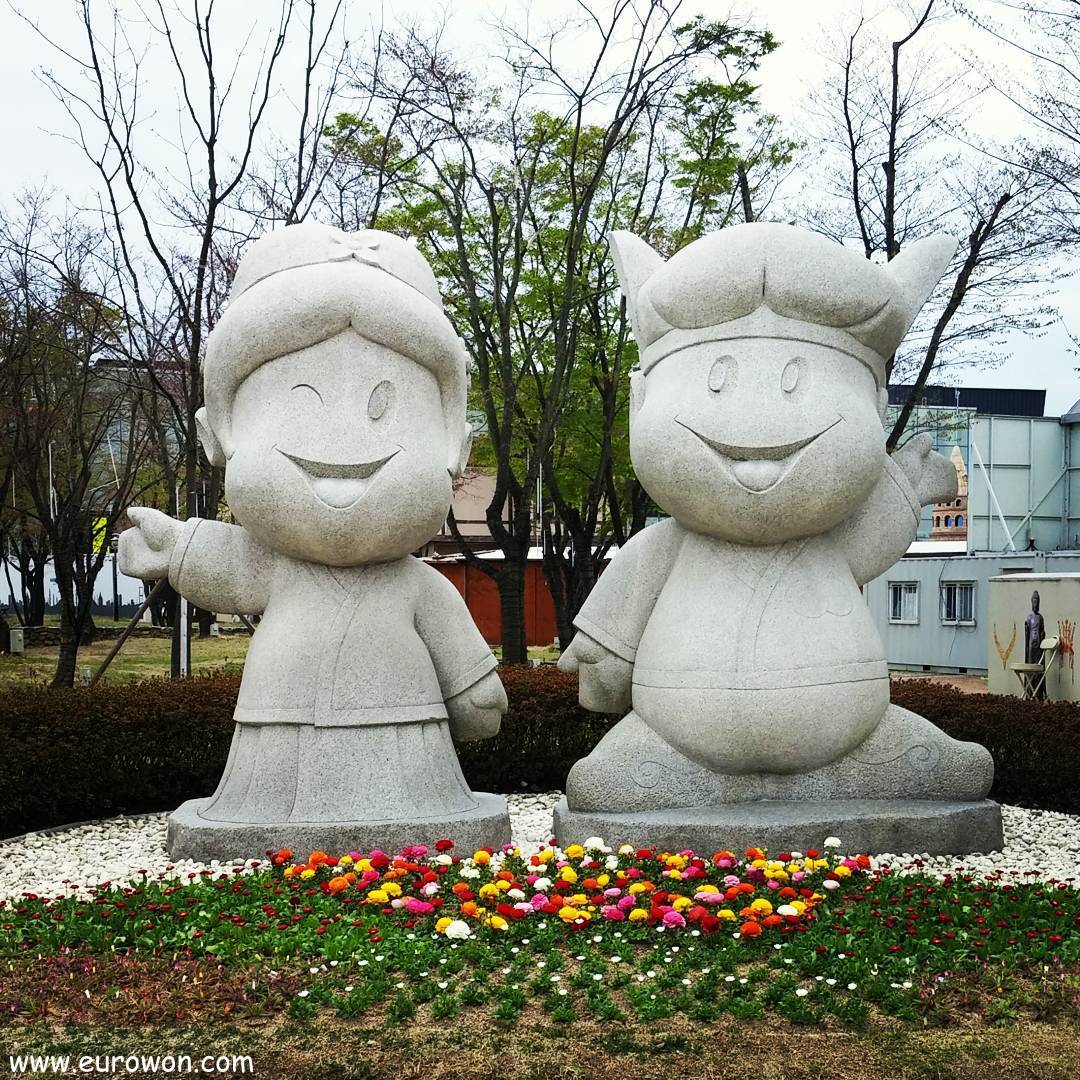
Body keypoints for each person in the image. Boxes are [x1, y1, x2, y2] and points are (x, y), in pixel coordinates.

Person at [558, 223, 995, 811]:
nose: (756, 417)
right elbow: (620, 623)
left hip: (855, 741)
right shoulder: (667, 548)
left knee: (955, 774)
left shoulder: (830, 541)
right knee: (604, 788)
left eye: (798, 378)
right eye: (719, 380)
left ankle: (853, 774)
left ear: (875, 406)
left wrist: (907, 483)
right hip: (676, 741)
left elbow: (874, 537)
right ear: (642, 403)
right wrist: (605, 655)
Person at [120, 223, 508, 850]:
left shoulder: (416, 584)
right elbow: (234, 566)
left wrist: (472, 689)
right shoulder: (277, 567)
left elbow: (464, 672)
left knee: (413, 790)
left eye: (385, 405)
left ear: (454, 449)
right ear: (220, 437)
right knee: (270, 782)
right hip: (275, 738)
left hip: (407, 741)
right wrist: (176, 548)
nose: (345, 443)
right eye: (301, 403)